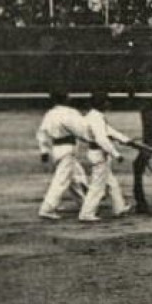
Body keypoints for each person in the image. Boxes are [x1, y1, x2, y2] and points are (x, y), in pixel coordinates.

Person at [78, 94, 133, 222]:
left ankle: (119, 208)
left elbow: (110, 131)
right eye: (107, 102)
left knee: (112, 183)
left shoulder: (94, 116)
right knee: (97, 186)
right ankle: (86, 213)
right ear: (101, 103)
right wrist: (116, 154)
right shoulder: (96, 118)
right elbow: (102, 139)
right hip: (99, 154)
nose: (109, 104)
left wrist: (127, 140)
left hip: (97, 153)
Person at [34, 91, 88, 220]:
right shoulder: (70, 113)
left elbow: (42, 133)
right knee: (62, 180)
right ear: (66, 99)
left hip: (56, 149)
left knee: (74, 178)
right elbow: (82, 130)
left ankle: (85, 203)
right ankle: (47, 208)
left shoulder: (50, 114)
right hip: (68, 149)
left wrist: (44, 151)